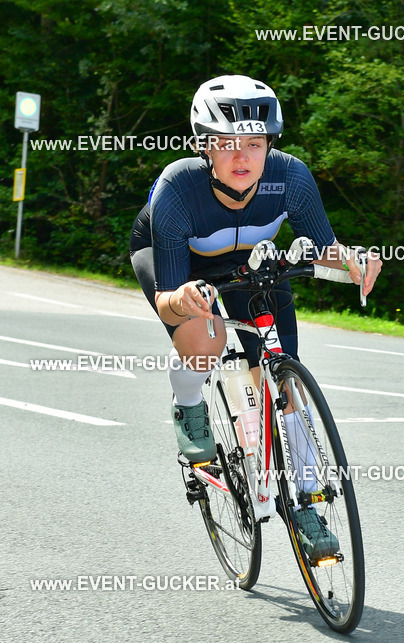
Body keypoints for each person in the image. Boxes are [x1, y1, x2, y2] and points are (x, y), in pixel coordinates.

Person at [129, 74, 381, 558]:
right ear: (205, 146)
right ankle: (189, 404)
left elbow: (326, 251)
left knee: (286, 381)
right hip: (180, 265)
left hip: (250, 261)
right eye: (225, 143)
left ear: (270, 143)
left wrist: (356, 261)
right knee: (206, 336)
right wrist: (183, 300)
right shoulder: (178, 187)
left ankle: (304, 504)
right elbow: (168, 299)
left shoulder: (292, 177)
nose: (241, 156)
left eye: (254, 142)